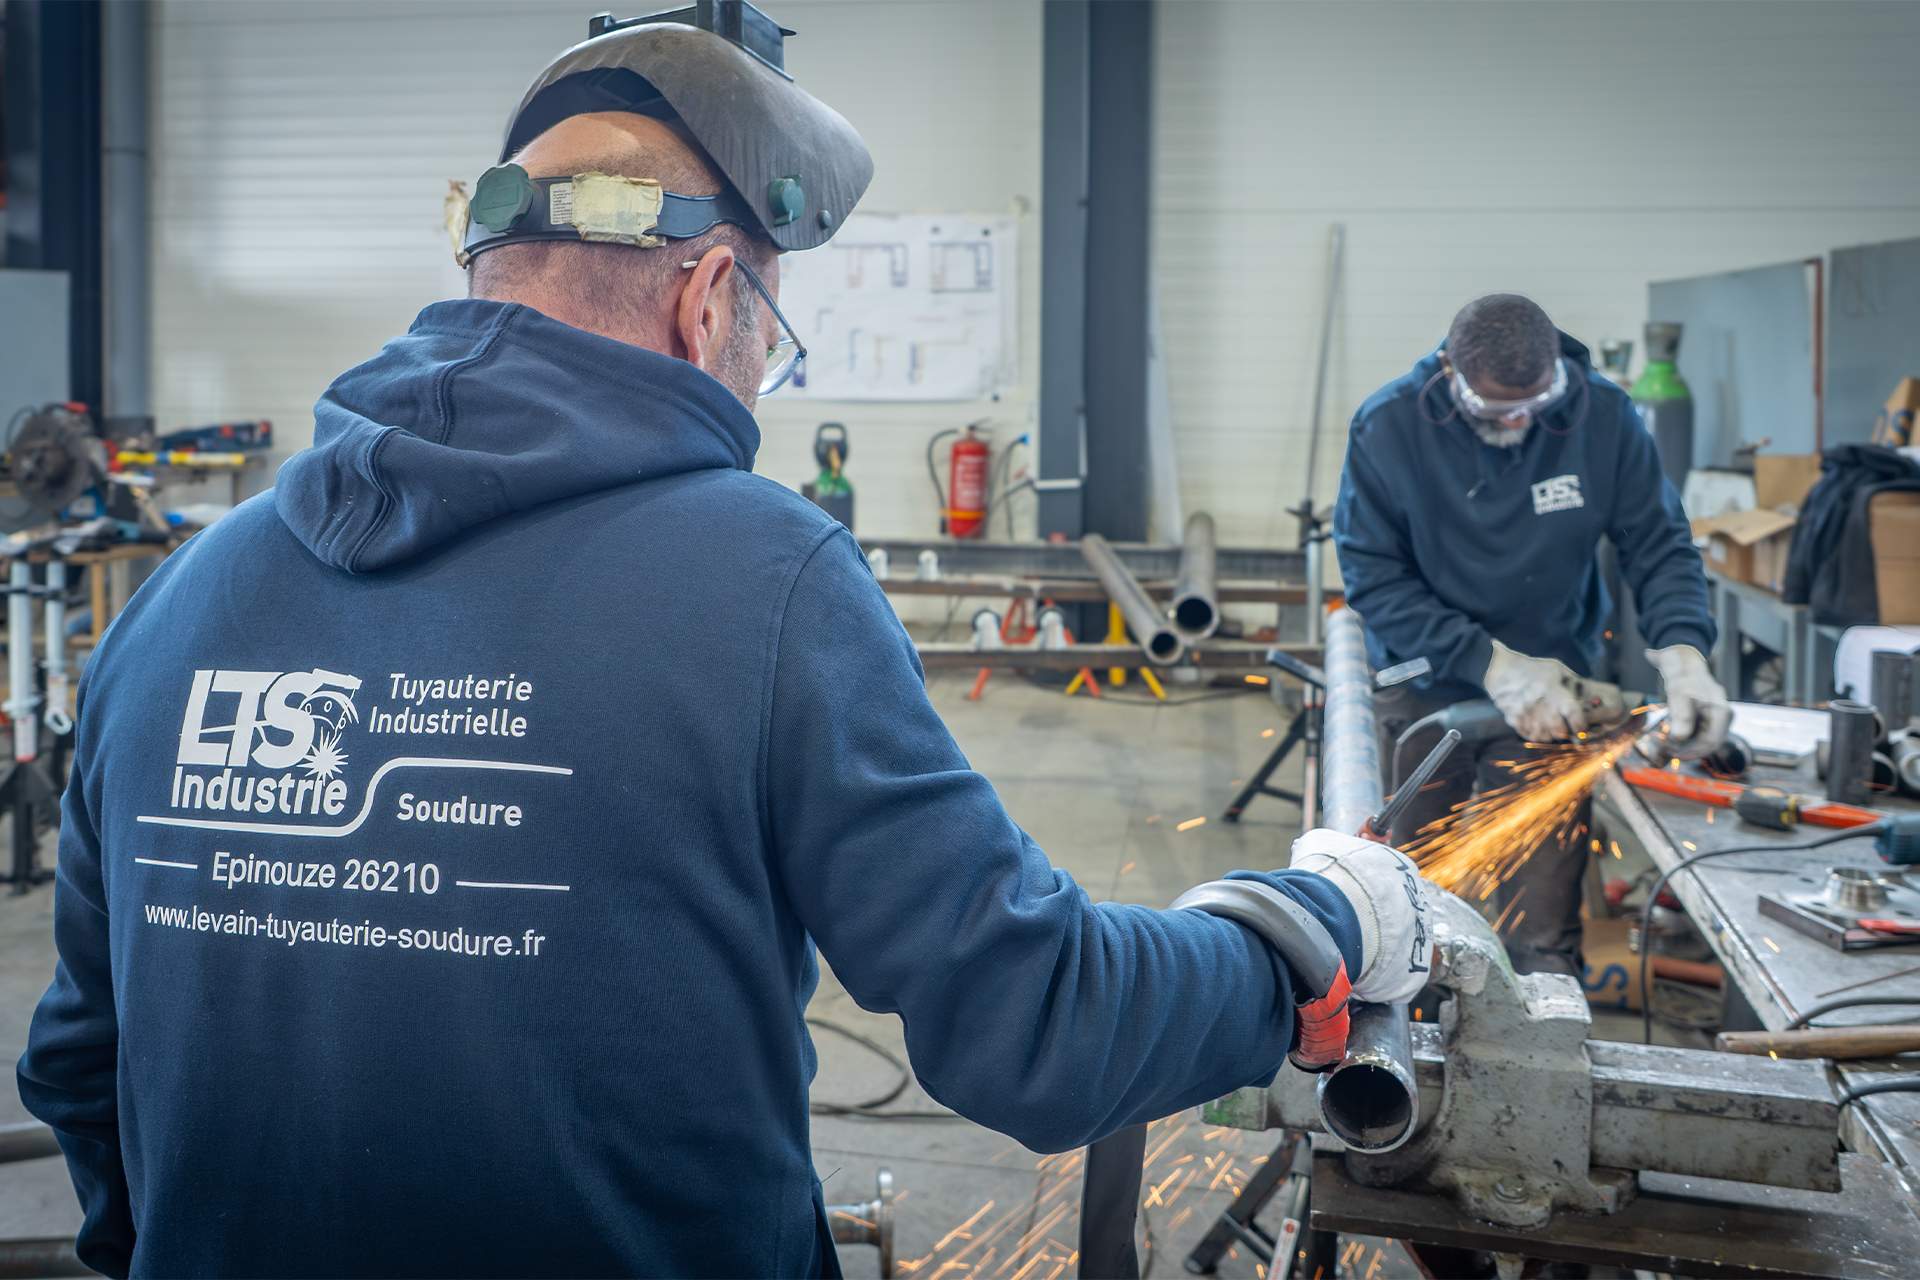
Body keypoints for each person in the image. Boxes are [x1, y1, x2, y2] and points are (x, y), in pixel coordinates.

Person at [18, 12, 1432, 1276]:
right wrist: (1297, 934)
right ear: (708, 301)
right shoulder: (765, 578)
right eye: (770, 338)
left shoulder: (179, 602)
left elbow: (81, 1065)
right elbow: (1035, 1027)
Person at [1333, 293, 1728, 977]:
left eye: (1534, 405)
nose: (1517, 421)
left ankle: (1544, 1011)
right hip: (1425, 681)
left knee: (1541, 927)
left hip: (1556, 691)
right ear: (1450, 372)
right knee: (1399, 908)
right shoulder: (1389, 425)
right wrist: (1488, 663)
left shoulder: (1603, 415)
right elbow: (1373, 577)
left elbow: (1659, 546)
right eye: (1493, 409)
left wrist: (1686, 655)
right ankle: (1400, 1019)